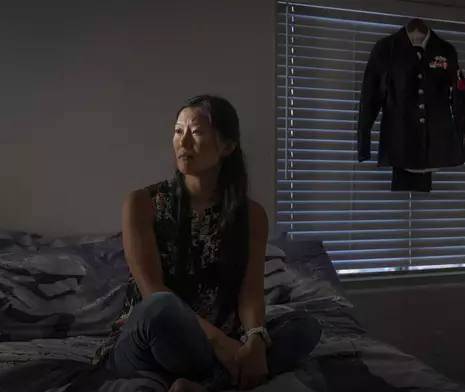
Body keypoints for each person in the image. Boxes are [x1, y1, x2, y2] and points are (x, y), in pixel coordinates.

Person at [93, 95, 322, 392]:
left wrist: (254, 337)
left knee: (306, 328)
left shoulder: (251, 215)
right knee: (161, 307)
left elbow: (250, 289)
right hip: (150, 340)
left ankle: (206, 385)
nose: (183, 143)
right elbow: (151, 289)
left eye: (197, 133)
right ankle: (224, 376)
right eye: (178, 131)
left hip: (217, 342)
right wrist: (223, 345)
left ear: (228, 146)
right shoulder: (142, 204)